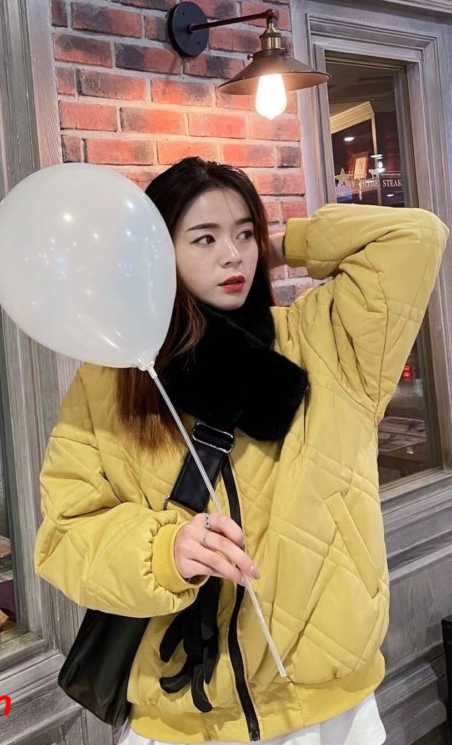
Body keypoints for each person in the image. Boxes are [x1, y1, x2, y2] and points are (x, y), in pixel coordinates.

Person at [33, 157, 448, 745]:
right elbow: (67, 534)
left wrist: (282, 243)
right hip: (185, 713)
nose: (234, 256)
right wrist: (165, 551)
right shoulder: (114, 380)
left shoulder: (326, 339)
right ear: (157, 252)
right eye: (204, 239)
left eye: (244, 234)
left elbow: (415, 235)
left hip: (329, 706)